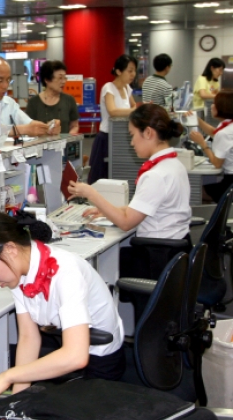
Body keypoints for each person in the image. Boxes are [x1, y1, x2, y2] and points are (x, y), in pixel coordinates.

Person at [0, 210, 124, 410]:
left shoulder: (65, 271)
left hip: (100, 358)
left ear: (9, 249)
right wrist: (16, 402)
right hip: (67, 343)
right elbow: (28, 337)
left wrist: (9, 376)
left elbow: (76, 356)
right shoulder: (18, 272)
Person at [70, 104, 190, 283]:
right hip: (174, 252)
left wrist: (92, 194)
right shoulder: (174, 165)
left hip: (156, 258)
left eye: (133, 135)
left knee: (95, 267)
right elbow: (148, 207)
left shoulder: (155, 175)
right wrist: (106, 210)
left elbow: (126, 223)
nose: (132, 142)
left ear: (148, 133)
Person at [87, 54, 138, 184]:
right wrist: (132, 111)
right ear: (119, 71)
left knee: (119, 172)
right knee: (101, 176)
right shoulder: (108, 88)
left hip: (122, 136)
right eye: (130, 70)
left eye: (134, 71)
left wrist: (135, 110)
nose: (133, 74)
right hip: (107, 137)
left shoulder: (127, 88)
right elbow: (113, 111)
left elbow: (134, 106)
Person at [190, 90, 233, 202]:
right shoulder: (228, 124)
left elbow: (217, 164)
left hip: (230, 182)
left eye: (215, 104)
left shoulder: (224, 133)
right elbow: (215, 132)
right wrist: (197, 120)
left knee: (197, 190)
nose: (212, 106)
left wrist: (202, 143)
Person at [25, 60, 79, 135]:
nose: (63, 82)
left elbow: (74, 126)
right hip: (40, 145)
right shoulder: (34, 102)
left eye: (64, 78)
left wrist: (69, 138)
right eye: (60, 78)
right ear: (47, 80)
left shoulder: (69, 100)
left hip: (64, 145)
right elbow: (28, 129)